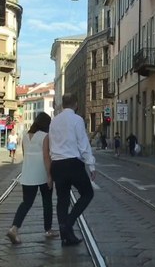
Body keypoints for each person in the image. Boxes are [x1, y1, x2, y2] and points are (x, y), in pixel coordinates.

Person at [49, 93, 96, 246]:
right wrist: (91, 164)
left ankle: (66, 235)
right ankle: (68, 223)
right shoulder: (77, 120)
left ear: (63, 104)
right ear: (76, 104)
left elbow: (51, 143)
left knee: (62, 199)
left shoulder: (54, 121)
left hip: (57, 164)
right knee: (88, 193)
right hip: (72, 164)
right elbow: (83, 143)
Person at [6, 112, 59, 244]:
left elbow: (25, 155)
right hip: (42, 174)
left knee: (26, 203)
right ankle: (48, 230)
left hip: (28, 174)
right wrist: (49, 175)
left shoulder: (24, 136)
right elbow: (46, 157)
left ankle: (14, 228)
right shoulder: (45, 136)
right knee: (47, 202)